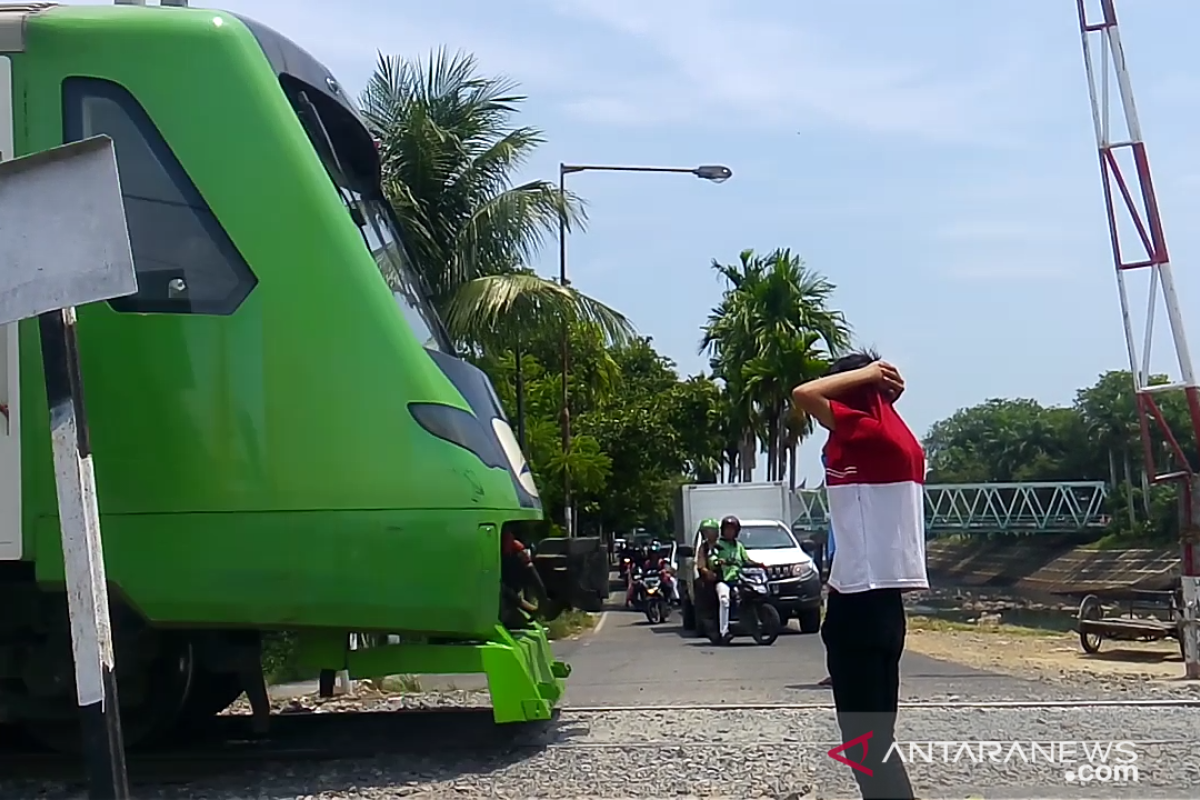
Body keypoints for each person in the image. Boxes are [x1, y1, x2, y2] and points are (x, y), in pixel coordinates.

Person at [792, 350, 927, 800]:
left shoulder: (862, 431)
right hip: (887, 608)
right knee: (875, 741)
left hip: (857, 606)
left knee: (864, 746)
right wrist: (877, 387)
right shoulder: (896, 438)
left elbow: (802, 393)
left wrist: (866, 374)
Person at [709, 515, 763, 644]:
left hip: (738, 579)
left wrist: (758, 564)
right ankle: (724, 632)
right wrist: (718, 562)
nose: (729, 532)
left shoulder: (739, 546)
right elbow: (712, 558)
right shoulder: (718, 545)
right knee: (724, 600)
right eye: (727, 529)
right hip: (724, 580)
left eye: (732, 529)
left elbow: (746, 559)